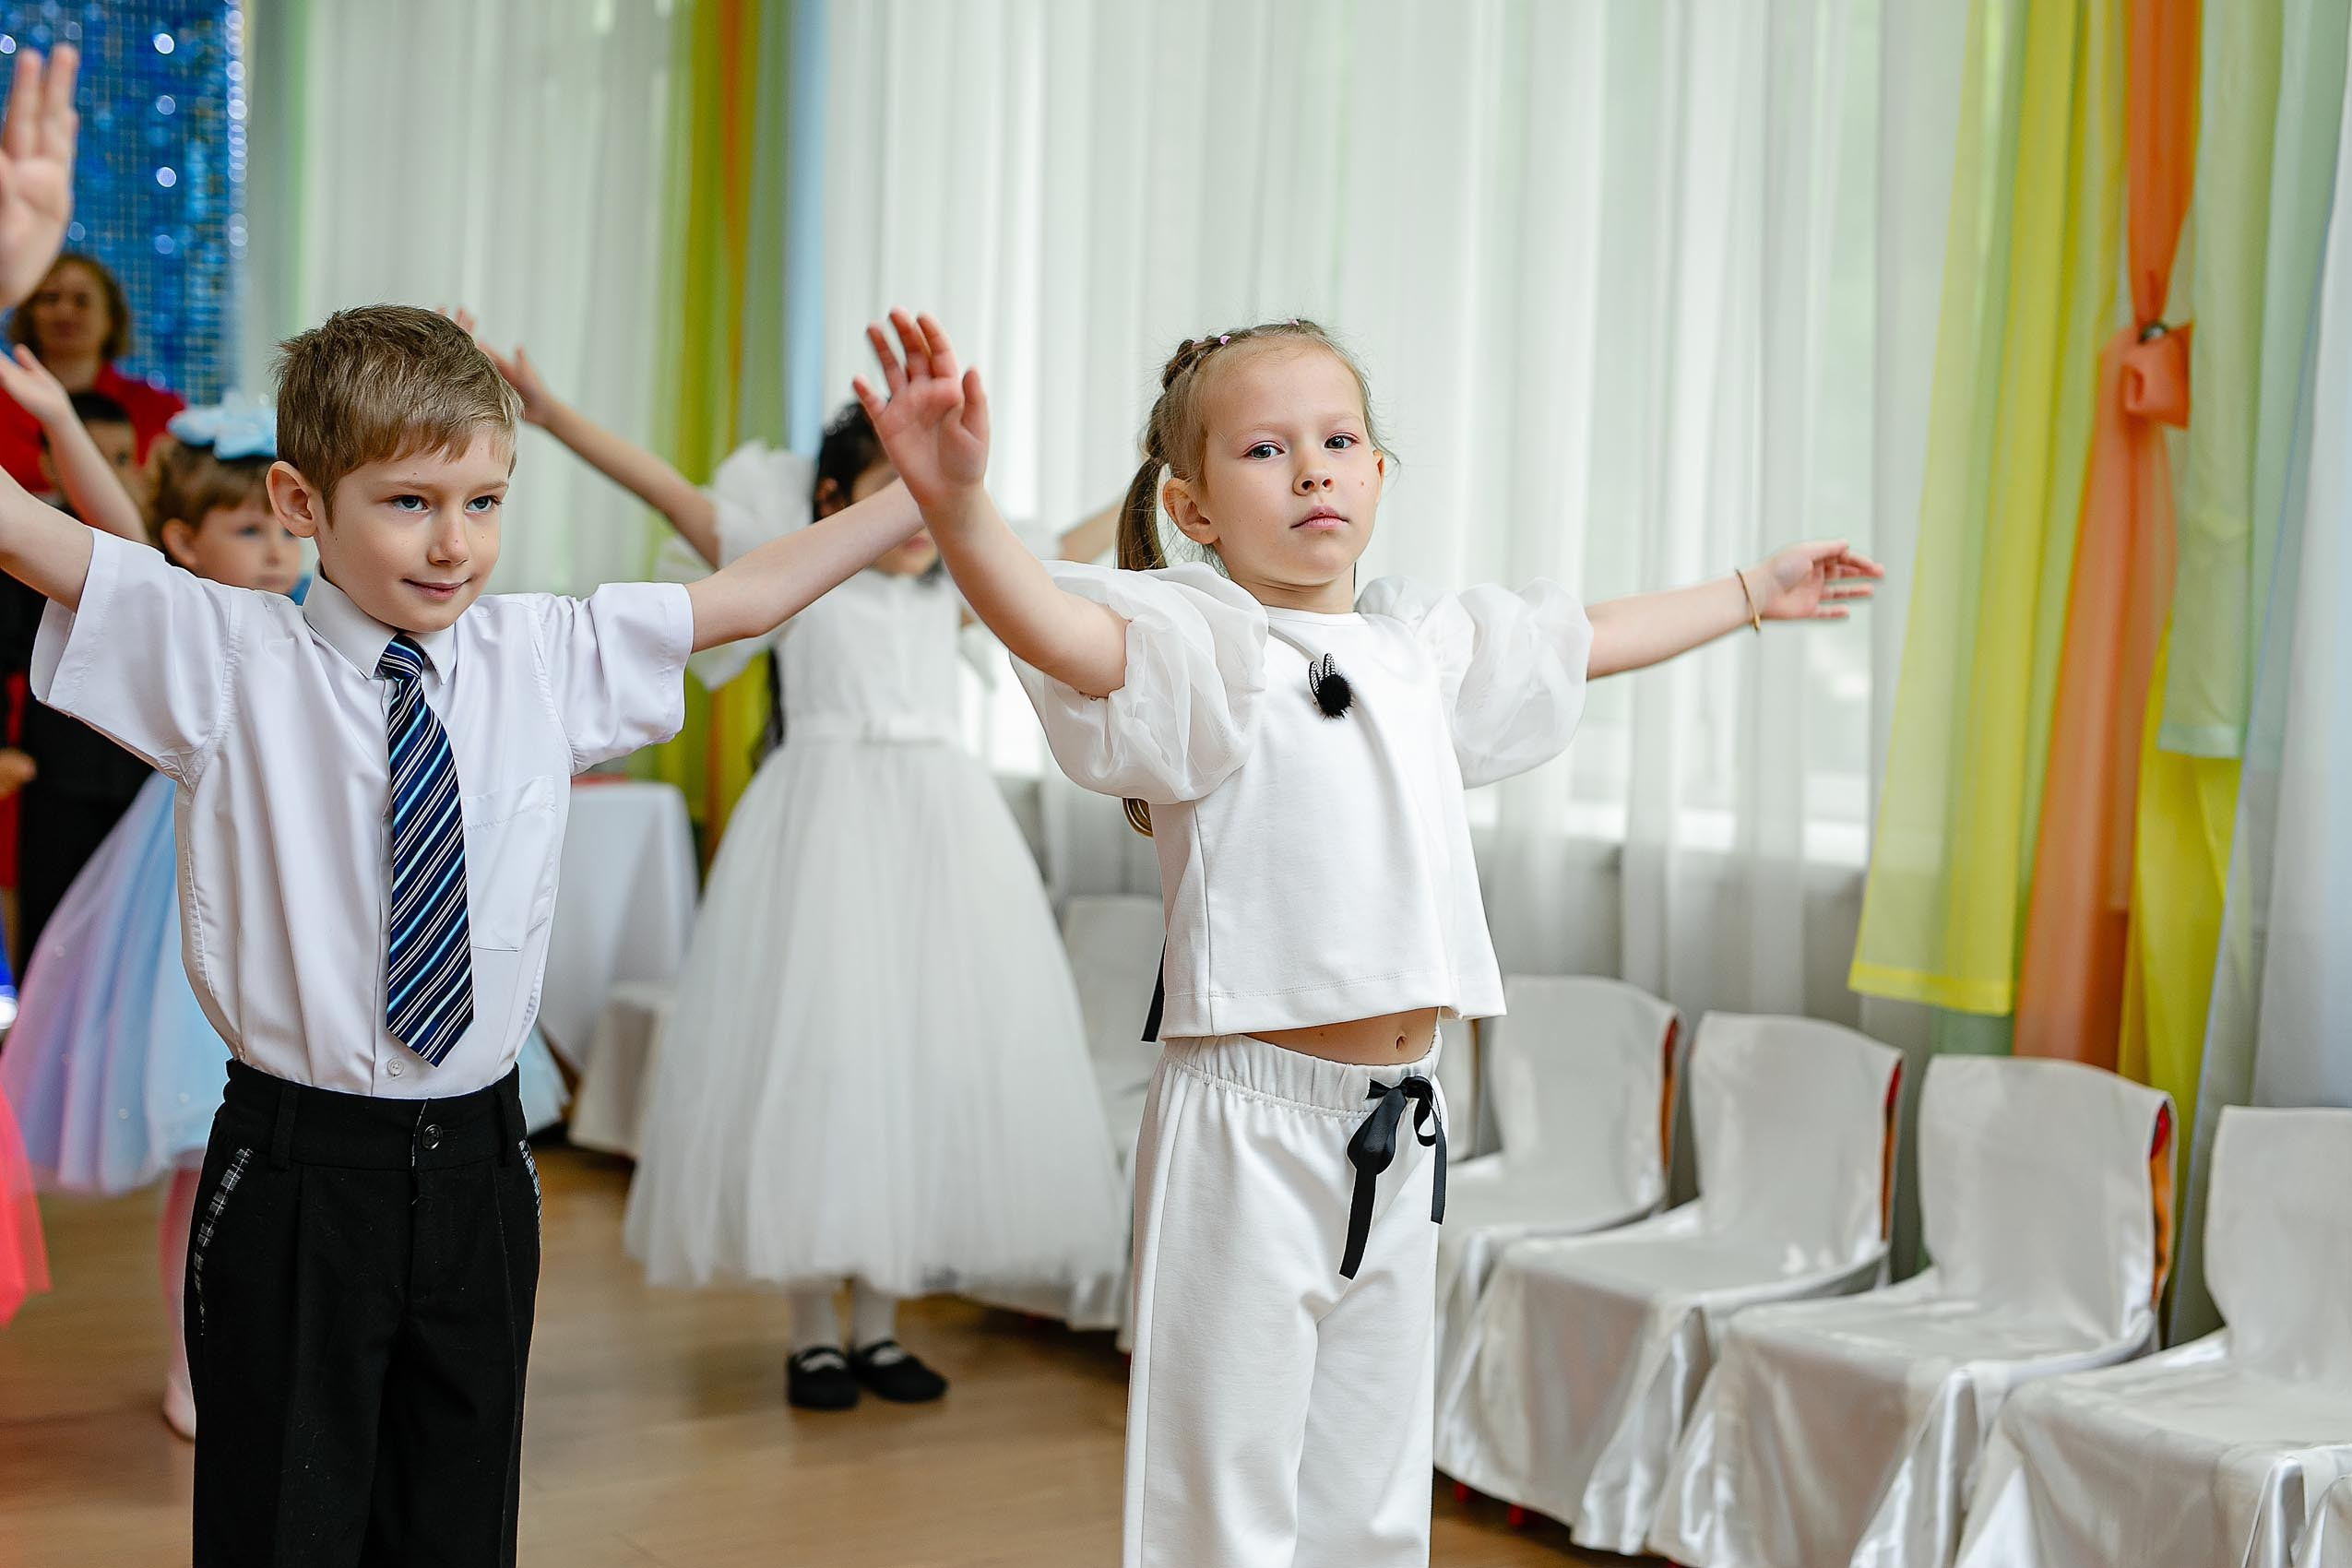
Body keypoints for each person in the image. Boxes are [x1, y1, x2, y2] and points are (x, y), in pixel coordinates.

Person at [856, 309, 1880, 1568]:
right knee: (1221, 1493)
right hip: (1246, 1124)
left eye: (1338, 441)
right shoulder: (1201, 645)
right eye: (1265, 452)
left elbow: (1582, 640)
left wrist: (1748, 595)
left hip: (1400, 1125)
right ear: (1191, 506)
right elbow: (1060, 634)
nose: (1312, 470)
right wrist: (959, 511)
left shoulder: (1415, 653)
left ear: (1379, 474)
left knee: (1371, 1491)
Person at [0, 303, 931, 1563]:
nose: (455, 545)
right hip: (294, 1174)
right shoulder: (221, 653)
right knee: (283, 1522)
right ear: (300, 500)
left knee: (457, 1522)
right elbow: (36, 540)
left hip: (483, 1174)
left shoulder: (539, 654)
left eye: (484, 503)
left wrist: (917, 489)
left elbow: (742, 600)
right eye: (409, 504)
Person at [475, 333, 1125, 1408]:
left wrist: (1165, 460)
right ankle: (812, 1330)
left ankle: (879, 1324)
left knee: (911, 1071)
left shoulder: (951, 594)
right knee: (822, 1067)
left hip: (940, 844)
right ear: (836, 496)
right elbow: (675, 494)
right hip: (822, 836)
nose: (919, 526)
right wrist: (551, 416)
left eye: (930, 508)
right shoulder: (797, 573)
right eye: (894, 497)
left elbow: (1067, 541)